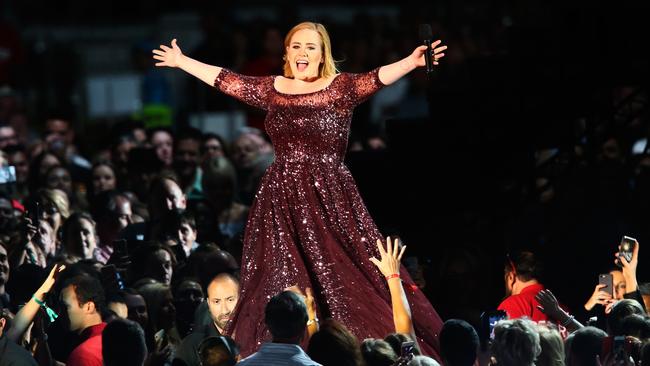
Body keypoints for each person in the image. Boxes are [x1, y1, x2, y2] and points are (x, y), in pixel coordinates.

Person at [153, 21, 447, 357]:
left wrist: (412, 61)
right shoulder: (273, 88)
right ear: (286, 53)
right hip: (281, 203)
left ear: (323, 55)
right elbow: (228, 81)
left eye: (311, 47)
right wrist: (182, 61)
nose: (302, 53)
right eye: (296, 46)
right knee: (285, 280)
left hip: (330, 199)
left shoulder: (341, 88)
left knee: (345, 282)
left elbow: (377, 77)